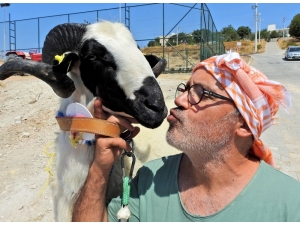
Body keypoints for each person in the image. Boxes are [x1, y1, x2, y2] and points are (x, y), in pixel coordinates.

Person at [72, 51, 300, 222]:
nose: (180, 101)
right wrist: (100, 168)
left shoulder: (290, 204)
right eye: (185, 88)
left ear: (243, 124)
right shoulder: (151, 179)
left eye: (200, 94)